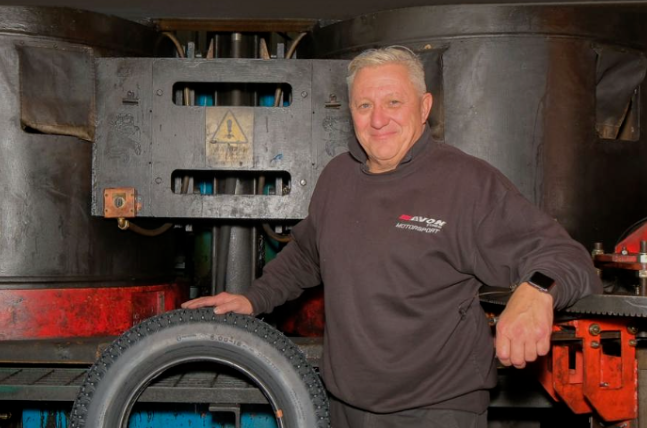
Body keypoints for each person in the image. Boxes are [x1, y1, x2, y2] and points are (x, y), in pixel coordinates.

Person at [182, 46, 602, 428]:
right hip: (345, 404)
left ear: (424, 107)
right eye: (364, 105)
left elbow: (566, 256)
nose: (378, 119)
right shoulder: (337, 177)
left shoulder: (466, 183)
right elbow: (308, 256)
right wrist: (253, 298)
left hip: (436, 408)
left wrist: (536, 291)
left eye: (393, 102)